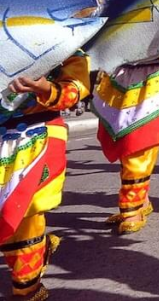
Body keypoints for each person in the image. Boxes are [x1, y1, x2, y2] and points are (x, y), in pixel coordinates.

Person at [0, 53, 91, 300]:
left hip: (38, 132)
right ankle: (35, 256)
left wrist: (45, 88)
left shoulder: (65, 38)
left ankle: (26, 287)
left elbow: (75, 89)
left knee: (24, 209)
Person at [93, 45, 159, 235]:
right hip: (119, 78)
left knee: (139, 145)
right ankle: (142, 201)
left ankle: (131, 209)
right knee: (124, 145)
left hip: (154, 79)